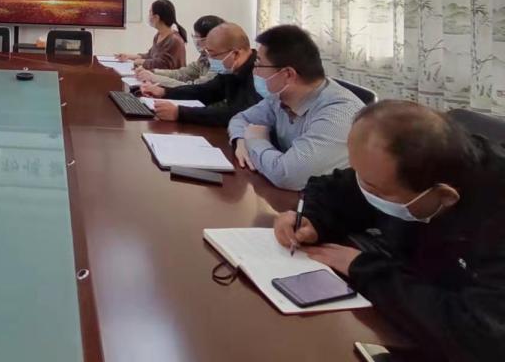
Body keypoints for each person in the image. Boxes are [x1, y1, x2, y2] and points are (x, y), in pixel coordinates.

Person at [274, 100, 505, 361]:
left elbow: (480, 333)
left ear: (445, 196)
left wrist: (364, 268)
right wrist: (312, 220)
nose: (362, 188)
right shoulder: (405, 167)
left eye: (375, 189)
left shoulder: (492, 212)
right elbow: (337, 189)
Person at [228, 24, 364, 190]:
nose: (254, 72)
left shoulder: (338, 113)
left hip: (335, 201)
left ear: (288, 74)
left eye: (259, 65)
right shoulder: (281, 96)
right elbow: (241, 119)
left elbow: (287, 176)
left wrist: (255, 140)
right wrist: (240, 140)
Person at [143, 22, 260, 126]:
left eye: (213, 55)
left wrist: (180, 113)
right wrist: (165, 92)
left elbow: (237, 113)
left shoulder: (259, 75)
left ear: (236, 54)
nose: (210, 60)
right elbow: (205, 91)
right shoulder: (231, 70)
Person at [136, 14, 224, 87]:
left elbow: (195, 88)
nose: (196, 42)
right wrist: (153, 72)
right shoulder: (204, 57)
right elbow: (182, 73)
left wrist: (154, 77)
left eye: (197, 37)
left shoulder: (220, 63)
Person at [116, 0, 187, 69]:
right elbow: (150, 55)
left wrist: (142, 62)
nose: (149, 16)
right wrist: (129, 56)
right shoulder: (158, 35)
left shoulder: (174, 40)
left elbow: (163, 65)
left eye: (150, 12)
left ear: (156, 17)